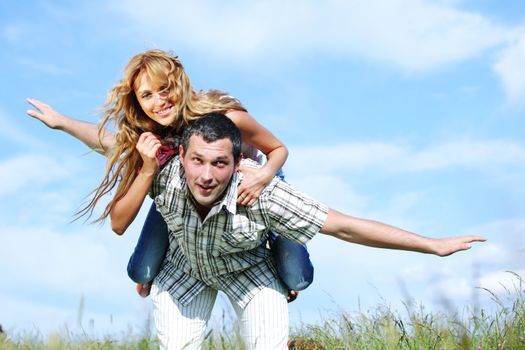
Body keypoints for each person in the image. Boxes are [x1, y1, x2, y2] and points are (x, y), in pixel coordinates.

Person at [111, 113, 485, 349]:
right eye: (198, 161)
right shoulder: (162, 175)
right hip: (185, 270)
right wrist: (64, 123)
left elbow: (345, 227)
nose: (206, 176)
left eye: (220, 163)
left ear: (238, 162)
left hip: (249, 273)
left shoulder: (262, 194)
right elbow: (115, 207)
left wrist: (431, 245)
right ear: (182, 158)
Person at [26, 49, 312, 300]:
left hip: (257, 180)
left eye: (165, 89)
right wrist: (62, 122)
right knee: (140, 271)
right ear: (138, 101)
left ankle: (273, 252)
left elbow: (278, 149)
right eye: (147, 95)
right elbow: (108, 141)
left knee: (298, 277)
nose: (159, 101)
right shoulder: (153, 136)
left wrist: (263, 178)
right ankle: (172, 259)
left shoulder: (223, 114)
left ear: (180, 85)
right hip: (195, 192)